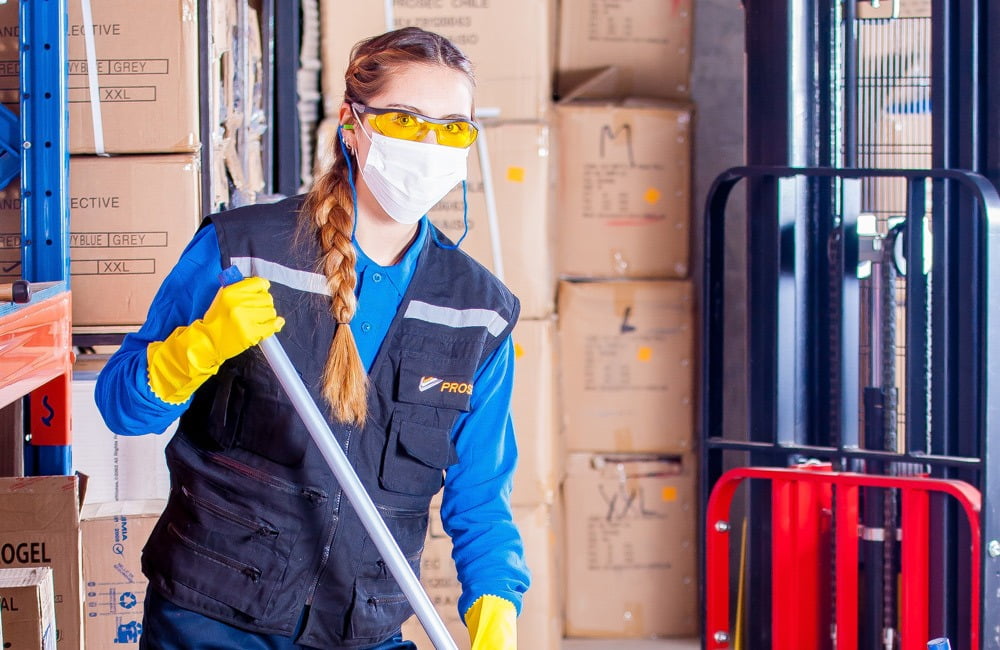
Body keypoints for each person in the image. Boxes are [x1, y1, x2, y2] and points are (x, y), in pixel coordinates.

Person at [95, 26, 528, 650]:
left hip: (360, 628)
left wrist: (495, 610)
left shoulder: (478, 313)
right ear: (353, 123)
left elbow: (482, 500)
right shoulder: (244, 253)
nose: (431, 144)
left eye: (453, 126)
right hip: (213, 620)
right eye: (407, 120)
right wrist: (192, 351)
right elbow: (119, 407)